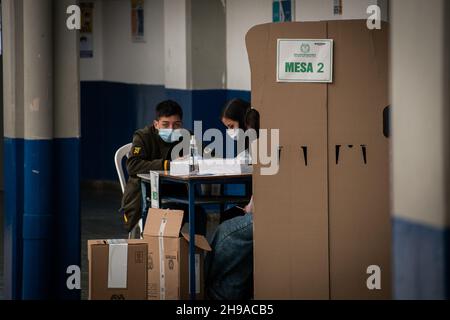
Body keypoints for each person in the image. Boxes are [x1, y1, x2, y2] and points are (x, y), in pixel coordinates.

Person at [120, 100, 206, 238]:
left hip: (177, 192)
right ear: (156, 124)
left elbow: (207, 155)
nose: (171, 129)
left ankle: (197, 255)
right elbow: (133, 165)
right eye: (165, 124)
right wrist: (168, 165)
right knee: (162, 213)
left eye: (176, 125)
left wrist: (196, 159)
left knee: (199, 213)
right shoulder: (143, 136)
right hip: (147, 194)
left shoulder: (187, 137)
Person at [204, 99, 260, 300]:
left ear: (244, 122)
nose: (230, 132)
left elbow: (266, 179)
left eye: (231, 127)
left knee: (224, 232)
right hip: (257, 209)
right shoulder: (252, 144)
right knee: (226, 222)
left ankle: (215, 290)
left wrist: (253, 205)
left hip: (265, 215)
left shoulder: (261, 143)